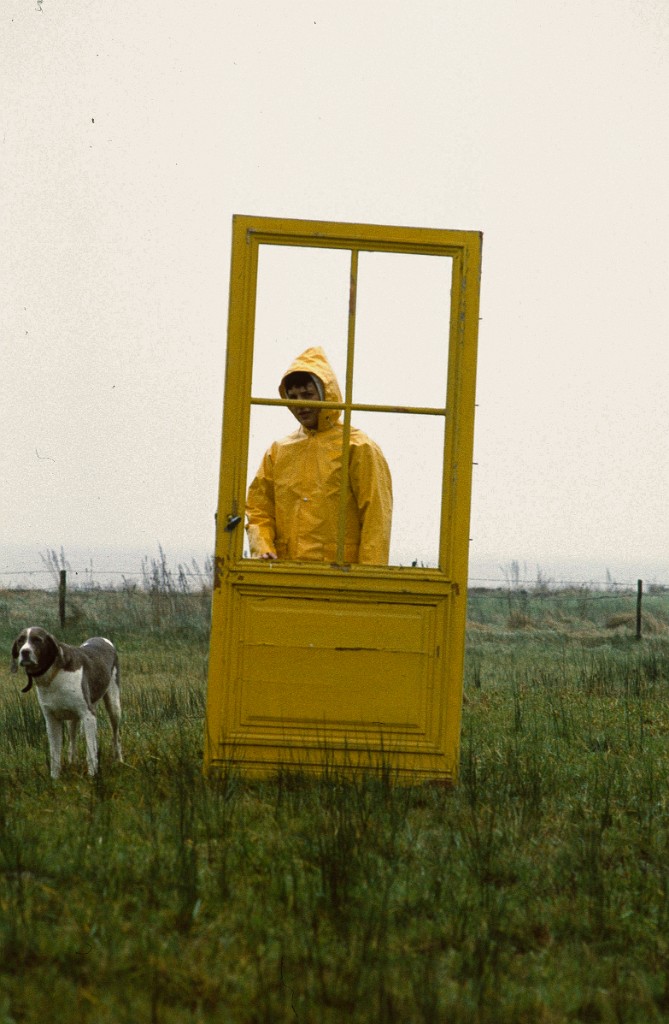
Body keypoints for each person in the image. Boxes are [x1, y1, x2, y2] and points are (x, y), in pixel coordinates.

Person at [246, 346, 392, 564]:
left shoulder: (358, 447)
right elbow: (259, 508)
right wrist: (263, 547)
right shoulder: (278, 451)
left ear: (327, 393)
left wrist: (369, 578)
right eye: (292, 396)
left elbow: (376, 518)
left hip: (339, 576)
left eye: (307, 395)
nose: (300, 404)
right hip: (287, 574)